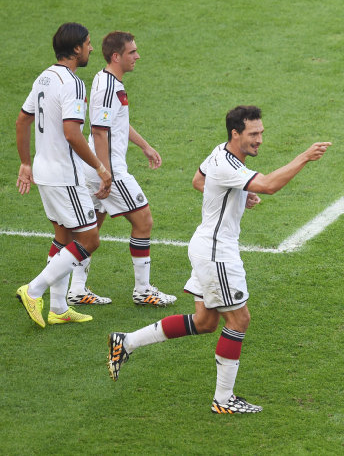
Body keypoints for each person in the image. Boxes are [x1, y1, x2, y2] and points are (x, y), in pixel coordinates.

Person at [106, 105, 331, 413]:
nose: (259, 140)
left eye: (261, 133)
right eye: (253, 134)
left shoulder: (220, 154)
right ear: (235, 133)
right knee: (240, 319)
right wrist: (304, 157)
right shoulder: (228, 165)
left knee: (205, 321)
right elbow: (268, 185)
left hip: (205, 246)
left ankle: (126, 341)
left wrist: (238, 192)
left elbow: (200, 181)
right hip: (216, 253)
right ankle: (223, 400)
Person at [67, 31, 176, 308]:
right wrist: (105, 172)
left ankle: (76, 289)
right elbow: (100, 131)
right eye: (132, 52)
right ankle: (143, 290)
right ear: (116, 56)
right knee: (144, 221)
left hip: (98, 166)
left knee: (90, 231)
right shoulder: (108, 86)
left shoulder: (110, 81)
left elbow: (116, 122)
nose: (137, 56)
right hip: (109, 168)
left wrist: (145, 146)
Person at [16, 22, 112, 327]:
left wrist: (25, 163)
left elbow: (22, 120)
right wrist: (99, 166)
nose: (91, 49)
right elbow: (72, 133)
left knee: (64, 236)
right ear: (75, 49)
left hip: (44, 170)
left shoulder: (43, 76)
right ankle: (34, 290)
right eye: (87, 44)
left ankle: (58, 308)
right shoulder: (73, 83)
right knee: (90, 238)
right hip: (64, 175)